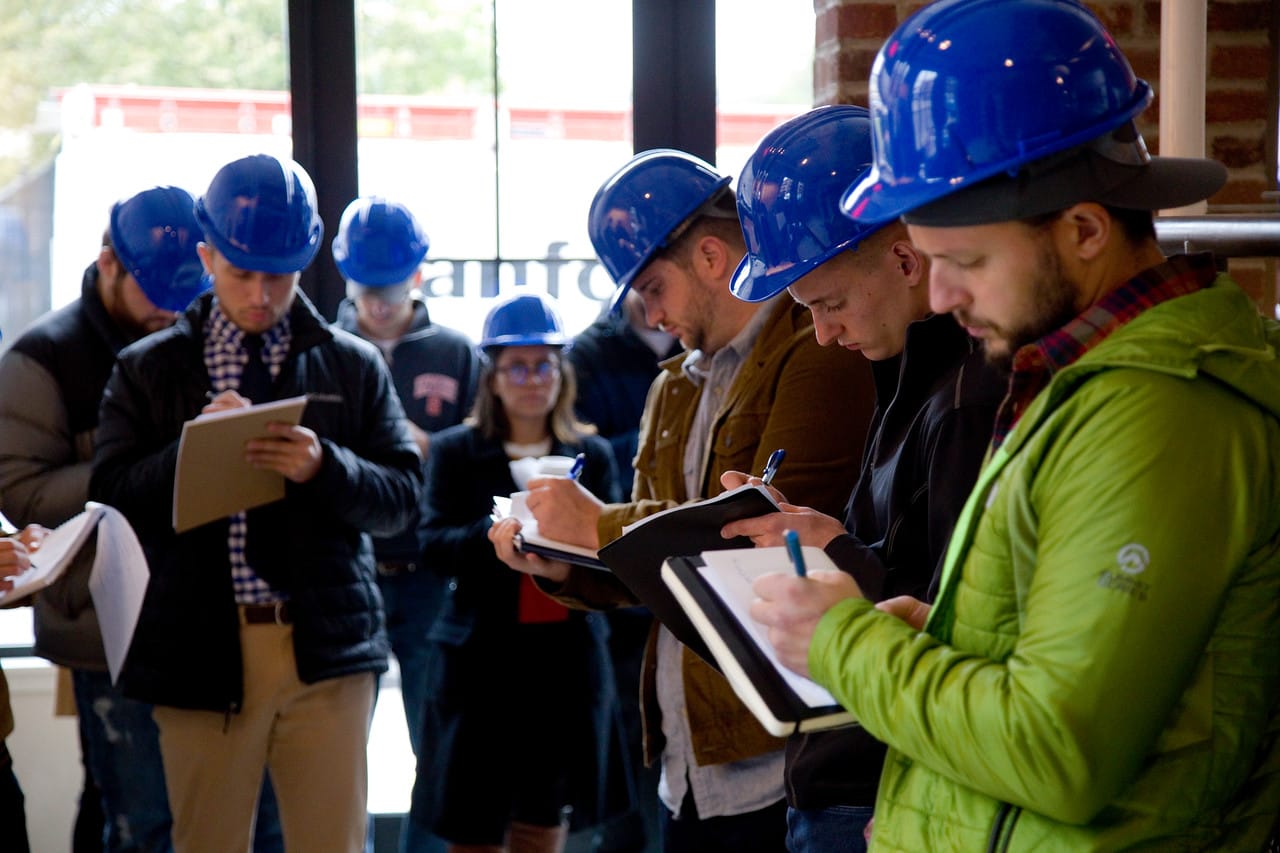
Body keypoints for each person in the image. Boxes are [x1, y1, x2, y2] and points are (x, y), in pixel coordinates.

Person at [751, 0, 1280, 849]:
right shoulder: (1080, 386)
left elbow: (1059, 748)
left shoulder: (1160, 414)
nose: (941, 295)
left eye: (965, 262)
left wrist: (842, 641)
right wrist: (950, 635)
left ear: (1082, 229)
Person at [490, 150, 875, 853]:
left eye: (653, 287)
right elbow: (650, 567)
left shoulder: (817, 350)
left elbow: (769, 538)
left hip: (780, 747)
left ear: (708, 254)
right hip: (685, 753)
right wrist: (560, 560)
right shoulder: (673, 385)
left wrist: (598, 522)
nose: (651, 312)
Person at [90, 153, 422, 852]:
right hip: (198, 647)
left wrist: (322, 465)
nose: (263, 294)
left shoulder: (352, 362)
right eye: (243, 272)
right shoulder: (147, 367)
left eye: (281, 273)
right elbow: (109, 502)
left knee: (333, 842)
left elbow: (402, 501)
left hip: (325, 648)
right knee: (208, 840)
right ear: (207, 257)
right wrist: (191, 450)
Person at [715, 105, 1006, 852]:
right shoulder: (908, 374)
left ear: (908, 262)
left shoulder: (967, 401)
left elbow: (952, 628)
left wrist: (839, 553)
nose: (823, 333)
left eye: (830, 303)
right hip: (851, 764)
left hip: (879, 781)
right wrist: (824, 539)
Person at [0, 185, 285, 853]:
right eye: (156, 289)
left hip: (212, 616)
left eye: (187, 291)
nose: (170, 308)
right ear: (108, 264)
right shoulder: (43, 358)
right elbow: (22, 494)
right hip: (105, 627)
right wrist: (157, 458)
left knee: (244, 820)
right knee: (139, 819)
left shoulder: (204, 336)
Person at [407, 292, 624, 853]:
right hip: (481, 664)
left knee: (544, 818)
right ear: (494, 377)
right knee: (473, 823)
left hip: (564, 666)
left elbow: (615, 553)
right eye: (518, 366)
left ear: (562, 373)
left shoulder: (592, 457)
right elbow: (431, 546)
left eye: (544, 364)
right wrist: (498, 530)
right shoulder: (457, 452)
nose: (532, 379)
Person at [332, 195, 478, 853]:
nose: (379, 304)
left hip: (425, 571)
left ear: (416, 277)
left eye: (389, 289)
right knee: (335, 749)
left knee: (434, 741)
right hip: (345, 568)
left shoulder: (454, 353)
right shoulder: (327, 351)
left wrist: (432, 449)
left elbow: (482, 460)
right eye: (366, 290)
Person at [566, 287, 679, 853]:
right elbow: (584, 458)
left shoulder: (706, 342)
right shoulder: (587, 353)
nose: (658, 310)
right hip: (615, 580)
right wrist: (659, 447)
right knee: (626, 758)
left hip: (685, 573)